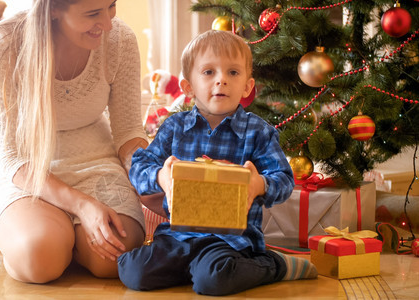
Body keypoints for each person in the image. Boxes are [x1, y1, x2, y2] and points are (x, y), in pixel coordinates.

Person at [118, 30, 318, 296]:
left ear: (247, 86)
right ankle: (193, 267)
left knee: (214, 280)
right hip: (177, 235)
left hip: (231, 240)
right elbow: (140, 166)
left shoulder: (258, 131)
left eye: (233, 73)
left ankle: (274, 265)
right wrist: (161, 178)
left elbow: (284, 179)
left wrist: (259, 184)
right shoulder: (174, 127)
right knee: (132, 271)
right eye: (209, 72)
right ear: (188, 87)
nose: (221, 80)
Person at [0, 0, 148, 284]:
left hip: (96, 163)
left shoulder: (119, 39)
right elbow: (11, 157)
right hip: (27, 173)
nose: (107, 24)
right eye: (93, 14)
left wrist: (151, 175)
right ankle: (53, 235)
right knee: (38, 257)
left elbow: (128, 132)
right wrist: (83, 206)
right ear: (53, 9)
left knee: (115, 259)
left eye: (112, 6)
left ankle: (68, 240)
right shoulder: (3, 45)